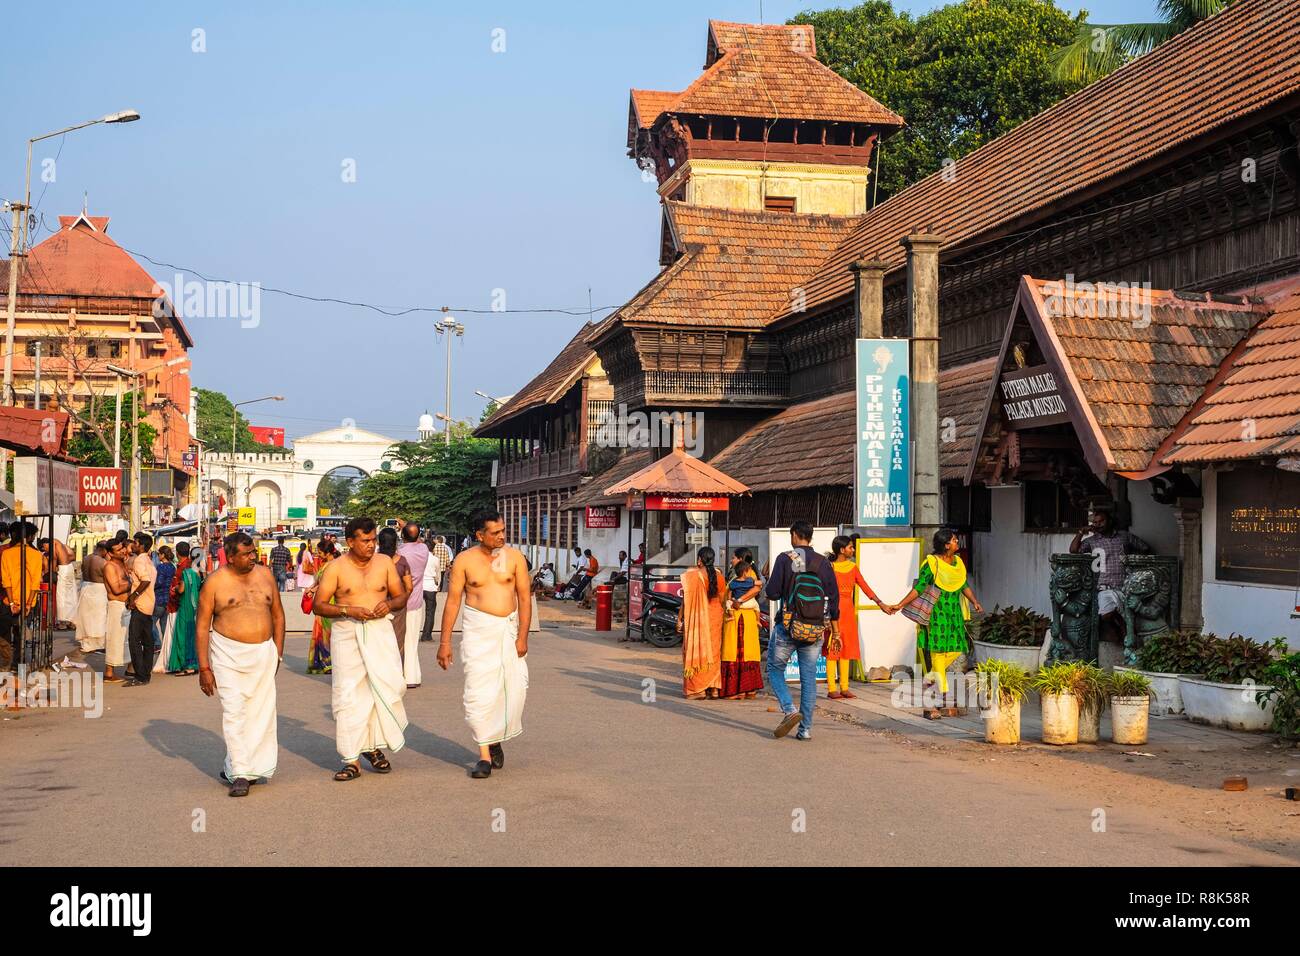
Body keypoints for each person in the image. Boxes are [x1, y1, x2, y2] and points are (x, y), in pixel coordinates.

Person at [437, 510, 530, 780]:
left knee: (514, 690)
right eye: (495, 532)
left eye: (503, 530)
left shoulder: (514, 558)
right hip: (478, 633)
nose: (502, 536)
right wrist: (445, 643)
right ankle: (484, 756)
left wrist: (522, 635)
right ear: (480, 535)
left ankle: (494, 738)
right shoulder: (464, 561)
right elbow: (453, 602)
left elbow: (524, 598)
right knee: (478, 691)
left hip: (508, 631)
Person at [315, 517, 409, 782]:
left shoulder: (384, 563)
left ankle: (371, 746)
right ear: (350, 541)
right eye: (365, 541)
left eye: (374, 540)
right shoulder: (336, 568)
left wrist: (389, 605)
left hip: (380, 631)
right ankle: (351, 759)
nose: (371, 545)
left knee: (387, 688)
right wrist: (348, 610)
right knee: (349, 695)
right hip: (347, 632)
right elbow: (319, 605)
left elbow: (401, 596)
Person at [195, 532, 285, 797]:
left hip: (263, 654)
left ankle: (246, 766)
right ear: (230, 557)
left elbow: (278, 615)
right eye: (245, 554)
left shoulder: (266, 576)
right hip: (228, 655)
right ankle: (241, 773)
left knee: (260, 714)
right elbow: (201, 628)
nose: (252, 558)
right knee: (234, 712)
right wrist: (204, 668)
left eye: (253, 552)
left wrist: (277, 652)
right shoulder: (214, 583)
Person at [886, 528, 983, 719]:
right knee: (938, 654)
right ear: (946, 545)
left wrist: (974, 601)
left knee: (956, 649)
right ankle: (938, 698)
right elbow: (920, 587)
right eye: (955, 540)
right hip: (936, 614)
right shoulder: (931, 563)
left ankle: (931, 682)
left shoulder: (958, 563)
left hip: (954, 614)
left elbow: (963, 584)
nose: (957, 543)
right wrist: (900, 604)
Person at [765, 520, 840, 741]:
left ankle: (789, 710)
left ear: (795, 535)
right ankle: (805, 729)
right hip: (815, 628)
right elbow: (834, 601)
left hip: (788, 626)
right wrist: (835, 631)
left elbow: (772, 593)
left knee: (774, 668)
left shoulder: (785, 558)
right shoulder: (823, 562)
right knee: (808, 678)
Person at [1069, 505, 1150, 644]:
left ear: (1109, 521)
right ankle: (1119, 628)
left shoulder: (1124, 536)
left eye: (1101, 521)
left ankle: (1129, 639)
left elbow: (1145, 547)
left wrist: (1133, 563)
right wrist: (1081, 532)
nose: (1098, 525)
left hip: (1125, 584)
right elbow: (1074, 550)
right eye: (1095, 522)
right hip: (1104, 586)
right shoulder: (1092, 541)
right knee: (1106, 614)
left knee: (1131, 616)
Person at [825, 535, 891, 700]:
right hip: (834, 610)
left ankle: (845, 687)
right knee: (833, 648)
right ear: (842, 550)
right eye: (850, 547)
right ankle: (832, 688)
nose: (852, 550)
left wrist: (880, 603)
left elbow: (865, 587)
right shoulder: (829, 567)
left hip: (848, 611)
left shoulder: (853, 567)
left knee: (846, 648)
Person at [677, 546, 724, 700]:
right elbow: (723, 599)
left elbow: (686, 600)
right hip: (715, 617)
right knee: (714, 653)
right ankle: (714, 689)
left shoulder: (693, 576)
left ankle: (698, 690)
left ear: (699, 560)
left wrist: (679, 618)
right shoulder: (719, 576)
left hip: (697, 618)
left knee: (696, 650)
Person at [721, 548, 764, 700]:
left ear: (740, 560)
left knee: (739, 651)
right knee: (743, 651)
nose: (731, 560)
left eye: (733, 558)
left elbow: (755, 590)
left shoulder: (748, 574)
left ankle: (739, 689)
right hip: (744, 616)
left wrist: (738, 601)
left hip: (741, 617)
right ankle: (747, 689)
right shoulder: (742, 575)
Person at [0, 523, 42, 670]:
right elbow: (36, 583)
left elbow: (6, 581)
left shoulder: (6, 553)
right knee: (20, 633)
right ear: (29, 537)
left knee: (4, 633)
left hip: (8, 601)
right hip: (28, 601)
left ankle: (5, 662)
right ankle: (17, 662)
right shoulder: (36, 555)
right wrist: (28, 604)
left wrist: (12, 603)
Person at [377, 527, 414, 678]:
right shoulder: (402, 561)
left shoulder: (374, 561)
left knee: (378, 643)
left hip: (377, 606)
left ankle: (379, 676)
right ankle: (397, 677)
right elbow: (409, 587)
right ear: (395, 543)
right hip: (397, 607)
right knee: (398, 642)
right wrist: (401, 598)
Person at [396, 522, 430, 686]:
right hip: (416, 601)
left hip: (401, 601)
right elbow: (420, 542)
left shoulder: (400, 552)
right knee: (412, 641)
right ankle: (413, 676)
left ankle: (404, 675)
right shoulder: (423, 551)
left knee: (401, 641)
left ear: (402, 536)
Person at [123, 533, 158, 687]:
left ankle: (141, 675)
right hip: (149, 604)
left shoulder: (139, 560)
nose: (133, 546)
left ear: (141, 545)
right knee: (148, 641)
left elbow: (145, 580)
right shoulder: (149, 560)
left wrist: (133, 597)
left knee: (134, 640)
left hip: (141, 604)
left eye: (136, 543)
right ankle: (145, 673)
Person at [168, 543, 202, 675]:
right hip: (194, 607)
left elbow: (181, 589)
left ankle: (186, 666)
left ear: (177, 553)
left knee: (182, 635)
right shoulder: (197, 572)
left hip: (185, 605)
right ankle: (193, 664)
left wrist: (175, 588)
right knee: (191, 635)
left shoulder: (185, 572)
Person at [102, 539, 131, 683]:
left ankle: (131, 668)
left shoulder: (123, 564)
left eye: (122, 548)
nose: (123, 551)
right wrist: (133, 582)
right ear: (110, 553)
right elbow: (117, 589)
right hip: (116, 605)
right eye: (118, 550)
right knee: (114, 639)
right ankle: (108, 673)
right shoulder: (110, 567)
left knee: (125, 639)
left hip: (125, 606)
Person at [75, 541, 110, 655]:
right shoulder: (103, 562)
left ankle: (87, 644)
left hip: (85, 587)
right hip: (98, 589)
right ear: (104, 550)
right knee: (99, 618)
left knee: (86, 617)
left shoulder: (86, 558)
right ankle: (98, 644)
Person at [306, 541, 336, 674]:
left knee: (326, 633)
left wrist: (313, 590)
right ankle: (323, 662)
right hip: (321, 602)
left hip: (329, 602)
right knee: (320, 632)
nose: (318, 554)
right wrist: (311, 588)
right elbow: (319, 581)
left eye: (320, 552)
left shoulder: (333, 565)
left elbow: (326, 584)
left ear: (328, 553)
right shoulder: (325, 565)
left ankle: (328, 663)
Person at [40, 537, 77, 629]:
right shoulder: (62, 544)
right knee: (71, 595)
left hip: (63, 569)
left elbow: (54, 558)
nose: (44, 550)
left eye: (44, 547)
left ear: (46, 543)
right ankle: (72, 621)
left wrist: (52, 571)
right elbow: (72, 555)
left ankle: (63, 622)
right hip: (69, 568)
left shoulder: (53, 543)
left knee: (62, 596)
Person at [151, 546, 176, 672]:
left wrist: (150, 585)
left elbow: (159, 582)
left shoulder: (161, 567)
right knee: (165, 626)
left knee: (151, 622)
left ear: (162, 555)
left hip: (159, 598)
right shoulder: (172, 567)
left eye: (159, 554)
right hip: (168, 599)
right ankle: (167, 648)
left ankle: (157, 644)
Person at [419, 532, 441, 643]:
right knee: (430, 612)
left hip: (419, 586)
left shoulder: (419, 558)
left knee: (416, 611)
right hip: (430, 586)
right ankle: (426, 635)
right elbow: (438, 574)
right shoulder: (435, 559)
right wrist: (438, 585)